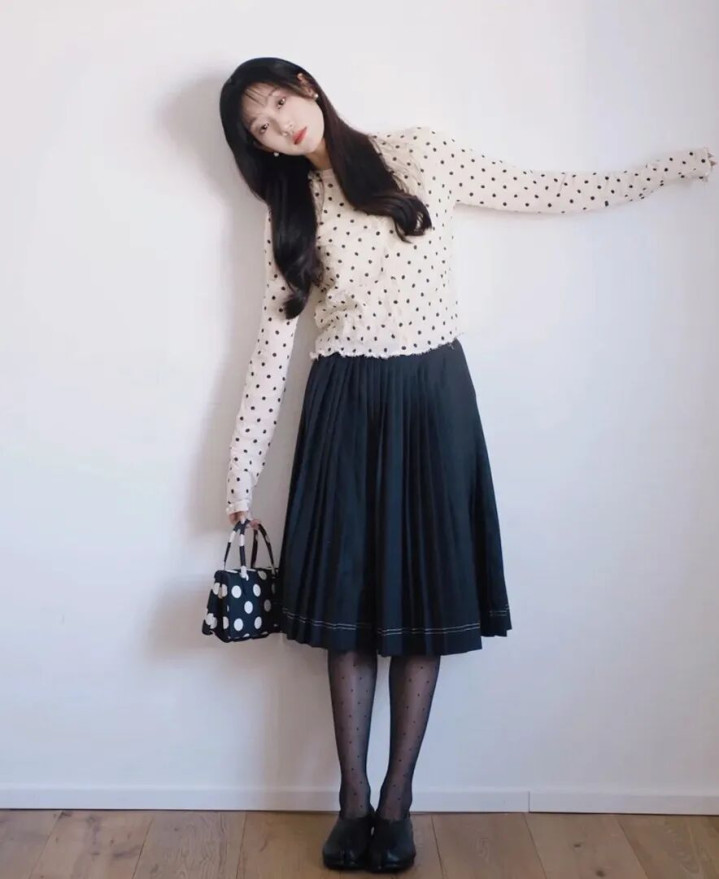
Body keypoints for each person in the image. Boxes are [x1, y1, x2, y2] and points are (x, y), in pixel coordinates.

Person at [218, 56, 715, 873]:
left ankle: (396, 802)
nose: (280, 124)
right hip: (343, 404)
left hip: (432, 397)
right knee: (347, 613)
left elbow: (546, 189)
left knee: (423, 601)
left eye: (277, 100)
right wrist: (239, 480)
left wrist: (662, 170)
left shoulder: (419, 153)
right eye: (260, 127)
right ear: (260, 148)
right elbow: (270, 353)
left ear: (306, 84)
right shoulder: (287, 213)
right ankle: (350, 800)